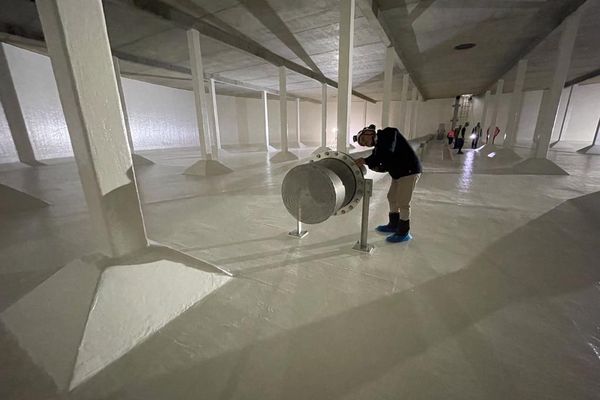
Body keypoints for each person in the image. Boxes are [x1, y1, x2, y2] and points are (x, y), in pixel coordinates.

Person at [353, 125, 422, 243]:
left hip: (409, 171)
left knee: (403, 202)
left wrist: (365, 160)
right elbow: (378, 159)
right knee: (392, 197)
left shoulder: (389, 133)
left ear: (370, 132)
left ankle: (404, 232)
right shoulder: (378, 147)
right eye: (363, 144)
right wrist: (367, 162)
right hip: (399, 173)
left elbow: (386, 153)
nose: (366, 144)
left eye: (364, 139)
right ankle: (393, 224)